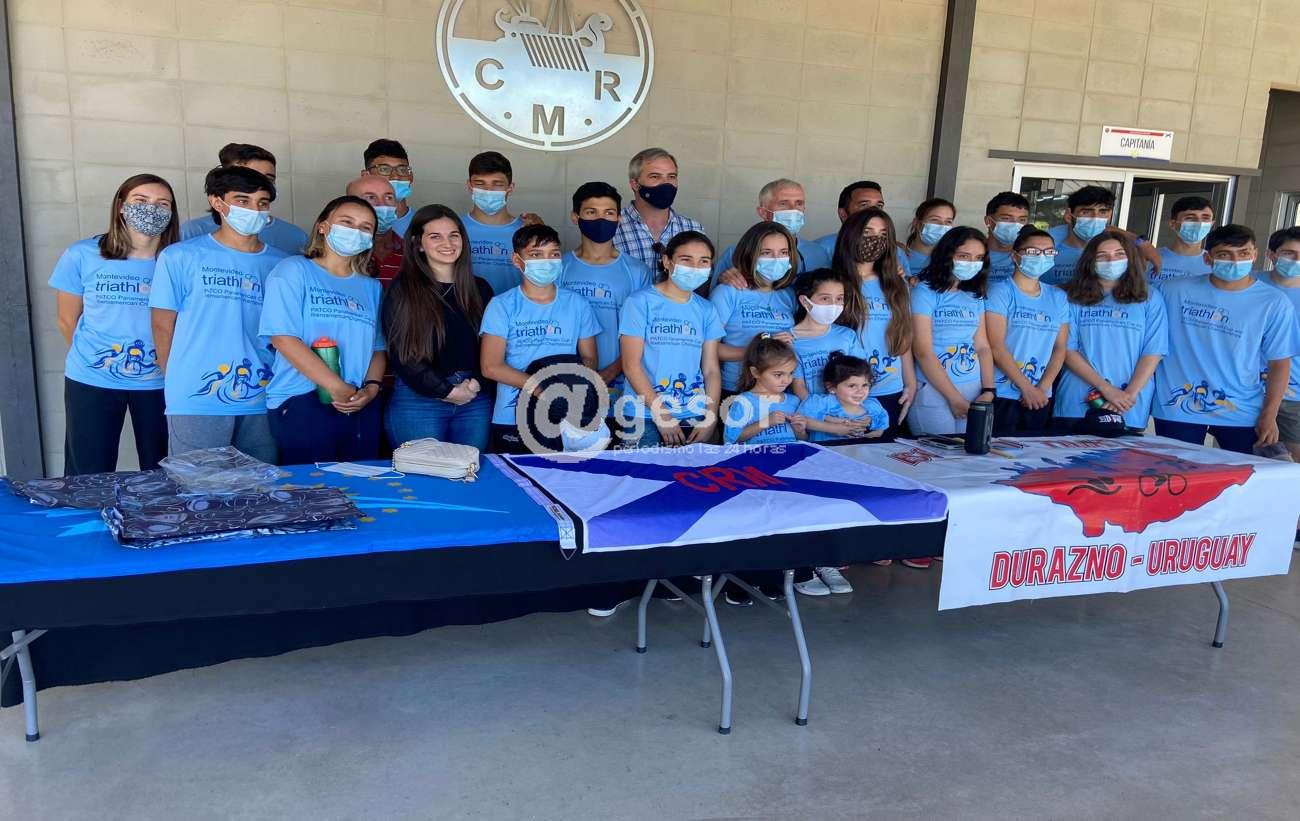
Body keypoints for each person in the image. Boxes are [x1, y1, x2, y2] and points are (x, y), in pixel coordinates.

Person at [150, 165, 288, 463]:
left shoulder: (283, 265)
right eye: (242, 200)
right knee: (198, 483)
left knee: (261, 485)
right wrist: (177, 383)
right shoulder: (180, 256)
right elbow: (162, 325)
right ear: (217, 202)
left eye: (262, 203)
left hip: (264, 396)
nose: (254, 210)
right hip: (197, 398)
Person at [51, 173, 179, 474]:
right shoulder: (83, 254)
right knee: (89, 468)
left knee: (163, 468)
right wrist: (98, 361)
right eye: (141, 200)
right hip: (93, 379)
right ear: (121, 206)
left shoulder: (179, 261)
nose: (152, 209)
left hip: (160, 381)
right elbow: (67, 319)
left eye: (163, 203)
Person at [260, 196, 387, 465]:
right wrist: (335, 386)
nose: (355, 231)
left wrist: (371, 389)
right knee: (313, 487)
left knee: (360, 485)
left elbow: (377, 348)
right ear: (323, 226)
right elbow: (283, 338)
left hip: (358, 400)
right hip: (301, 399)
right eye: (347, 222)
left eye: (365, 227)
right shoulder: (293, 270)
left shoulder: (371, 287)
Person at [1152, 225, 1299, 454]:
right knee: (1178, 473)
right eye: (1224, 254)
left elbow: (1280, 362)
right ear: (1208, 259)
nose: (1235, 261)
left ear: (1255, 255)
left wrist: (1269, 414)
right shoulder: (1172, 291)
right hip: (1178, 407)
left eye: (1243, 253)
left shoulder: (1274, 302)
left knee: (1244, 475)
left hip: (1242, 410)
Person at [480, 224, 600, 453]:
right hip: (513, 417)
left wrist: (570, 393)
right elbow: (491, 366)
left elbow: (590, 358)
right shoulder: (502, 305)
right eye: (536, 255)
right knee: (516, 475)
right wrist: (542, 390)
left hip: (565, 415)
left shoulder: (577, 304)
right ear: (517, 260)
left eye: (553, 254)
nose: (547, 261)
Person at [382, 205, 494, 451]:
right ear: (419, 244)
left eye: (454, 235)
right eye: (435, 236)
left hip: (474, 398)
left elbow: (493, 346)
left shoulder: (480, 289)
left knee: (470, 470)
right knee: (424, 474)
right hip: (419, 400)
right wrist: (446, 391)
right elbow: (402, 353)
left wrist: (474, 384)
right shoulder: (403, 289)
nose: (448, 243)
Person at [1054, 230, 1168, 433]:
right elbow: (1067, 350)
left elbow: (1153, 351)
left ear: (1130, 258)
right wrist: (1107, 389)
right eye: (1102, 256)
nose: (1111, 261)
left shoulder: (1150, 297)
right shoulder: (1070, 297)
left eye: (1119, 254)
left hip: (1128, 405)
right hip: (1077, 401)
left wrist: (1128, 394)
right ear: (1090, 261)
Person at [618, 230, 723, 447]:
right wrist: (663, 415)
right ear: (667, 262)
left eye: (703, 261)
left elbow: (711, 369)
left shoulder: (707, 309)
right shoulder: (639, 302)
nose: (695, 267)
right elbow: (630, 365)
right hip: (643, 413)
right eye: (686, 259)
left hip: (693, 413)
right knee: (644, 469)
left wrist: (710, 417)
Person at [559, 182, 652, 403]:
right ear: (575, 217)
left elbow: (646, 333)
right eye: (591, 212)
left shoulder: (637, 271)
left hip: (622, 383)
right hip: (567, 383)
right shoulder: (558, 267)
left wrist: (609, 373)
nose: (601, 219)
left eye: (609, 213)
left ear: (619, 218)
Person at [831, 208, 916, 440]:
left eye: (882, 234)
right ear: (851, 235)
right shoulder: (833, 283)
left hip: (890, 388)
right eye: (867, 232)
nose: (875, 240)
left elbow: (902, 336)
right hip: (845, 389)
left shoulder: (897, 284)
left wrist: (910, 383)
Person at [909, 226, 995, 436]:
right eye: (964, 256)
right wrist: (954, 398)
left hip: (974, 390)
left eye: (978, 258)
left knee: (967, 452)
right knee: (938, 453)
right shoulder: (924, 291)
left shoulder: (974, 294)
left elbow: (982, 346)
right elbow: (922, 350)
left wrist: (988, 390)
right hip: (934, 390)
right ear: (947, 255)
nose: (971, 263)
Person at [985, 227, 1070, 436]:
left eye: (1049, 252)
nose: (1041, 257)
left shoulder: (1058, 297)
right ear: (1015, 256)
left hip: (1041, 396)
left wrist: (1042, 388)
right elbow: (996, 347)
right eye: (1033, 252)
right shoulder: (1000, 291)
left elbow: (1060, 349)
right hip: (1003, 393)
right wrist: (1026, 388)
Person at [709, 222, 798, 396]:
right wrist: (761, 351)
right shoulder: (728, 292)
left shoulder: (789, 295)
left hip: (781, 390)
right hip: (736, 389)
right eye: (766, 252)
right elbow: (710, 349)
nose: (776, 259)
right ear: (750, 254)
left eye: (783, 252)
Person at [179, 143, 307, 256]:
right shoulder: (193, 231)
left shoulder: (296, 237)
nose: (260, 184)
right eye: (249, 177)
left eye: (269, 179)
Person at [711, 179, 832, 289]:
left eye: (799, 203)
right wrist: (723, 281)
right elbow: (714, 296)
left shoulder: (818, 253)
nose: (793, 209)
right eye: (783, 203)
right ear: (763, 213)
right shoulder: (735, 254)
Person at [1046, 185, 1162, 286]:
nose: (1095, 218)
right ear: (1068, 215)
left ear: (1109, 215)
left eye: (1102, 212)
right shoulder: (1048, 247)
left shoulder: (1119, 253)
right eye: (1086, 212)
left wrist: (1140, 242)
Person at [461, 151, 542, 295]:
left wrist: (540, 233)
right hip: (465, 308)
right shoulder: (454, 228)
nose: (488, 190)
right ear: (469, 186)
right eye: (480, 183)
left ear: (510, 188)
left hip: (513, 309)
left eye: (497, 184)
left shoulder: (526, 230)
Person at [612, 147, 703, 271]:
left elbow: (704, 276)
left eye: (671, 176)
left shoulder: (693, 229)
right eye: (655, 177)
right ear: (635, 185)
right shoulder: (612, 227)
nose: (666, 183)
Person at [788, 268, 864, 399]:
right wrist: (820, 410)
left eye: (839, 298)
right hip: (808, 409)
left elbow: (861, 376)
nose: (833, 305)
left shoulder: (847, 335)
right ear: (805, 301)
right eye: (825, 298)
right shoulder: (789, 340)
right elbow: (798, 386)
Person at [1258, 226, 1300, 460]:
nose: (1296, 260)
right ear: (1271, 255)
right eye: (1289, 253)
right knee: (1241, 460)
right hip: (1247, 391)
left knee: (1293, 463)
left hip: (1294, 397)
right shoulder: (1249, 283)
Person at [797, 351, 888, 443]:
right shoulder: (821, 403)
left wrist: (874, 427)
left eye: (865, 385)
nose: (860, 391)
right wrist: (834, 427)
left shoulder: (872, 406)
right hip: (824, 450)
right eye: (852, 386)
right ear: (831, 387)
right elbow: (800, 420)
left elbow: (881, 426)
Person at [345, 174, 402, 285]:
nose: (382, 204)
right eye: (371, 197)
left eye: (389, 198)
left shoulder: (412, 253)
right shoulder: (338, 251)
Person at [1149, 196, 1214, 288]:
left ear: (1211, 224)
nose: (1199, 223)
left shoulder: (1215, 264)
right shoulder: (1150, 258)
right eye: (1190, 218)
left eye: (1205, 218)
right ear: (1172, 224)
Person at [363, 139, 417, 239]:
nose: (395, 176)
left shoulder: (425, 224)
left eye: (402, 170)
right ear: (365, 176)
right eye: (384, 169)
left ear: (411, 177)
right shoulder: (354, 224)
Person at [983, 191, 1031, 282]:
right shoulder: (971, 254)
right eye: (1006, 218)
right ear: (988, 221)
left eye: (1022, 220)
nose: (1015, 224)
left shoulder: (1029, 257)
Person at [903, 198, 956, 276]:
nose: (942, 226)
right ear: (917, 223)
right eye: (935, 220)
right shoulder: (898, 256)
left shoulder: (952, 262)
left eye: (948, 221)